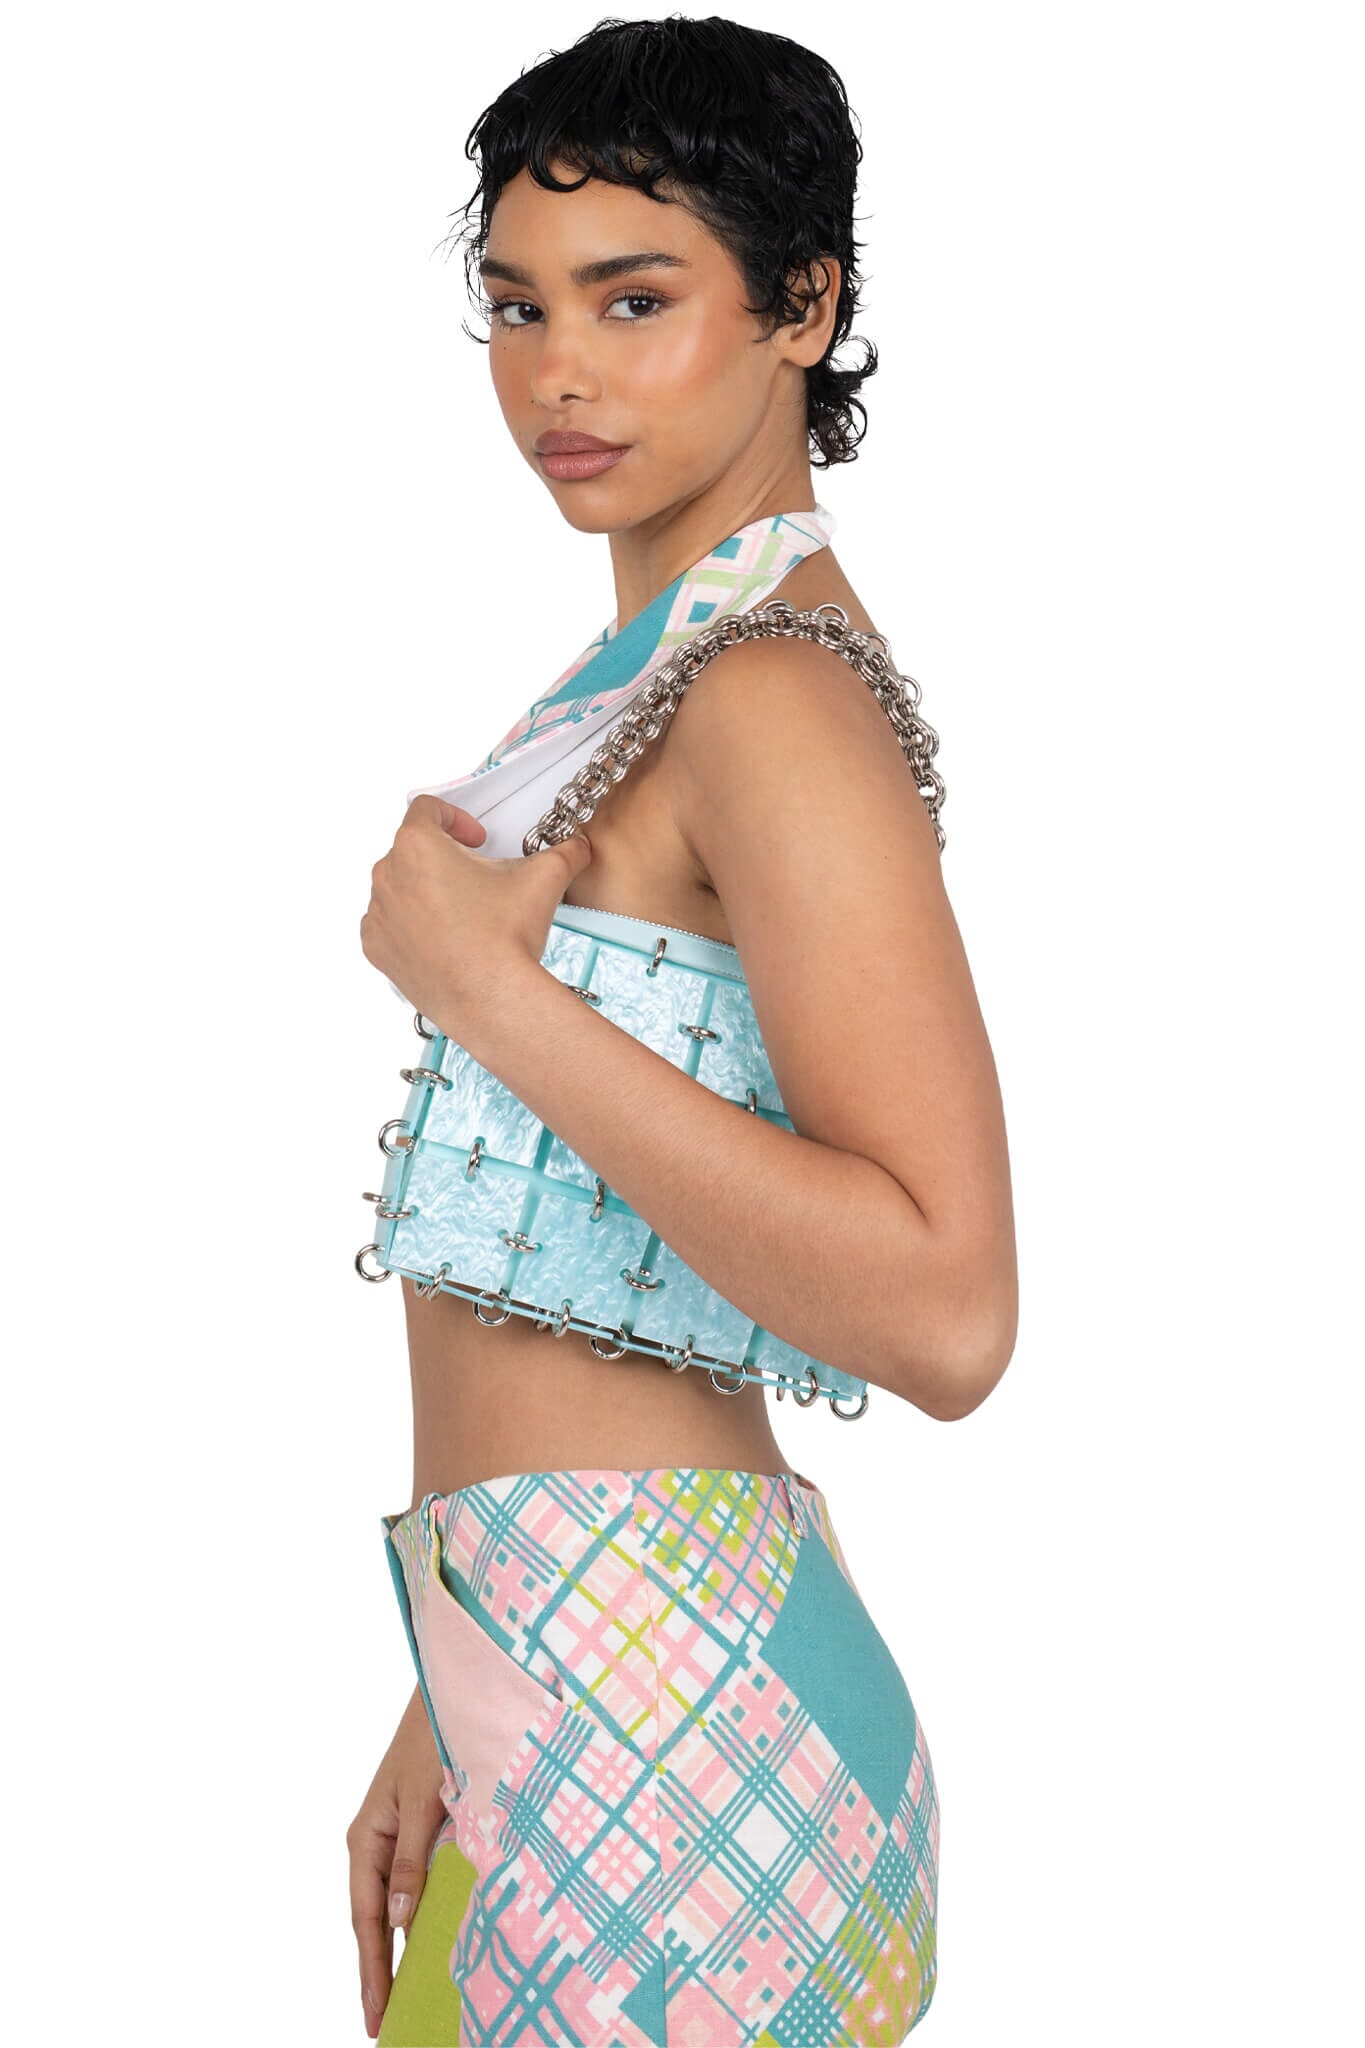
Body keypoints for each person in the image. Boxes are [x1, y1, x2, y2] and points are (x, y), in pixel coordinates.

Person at [348, 16, 1017, 2044]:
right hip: (561, 1668)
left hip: (675, 1730)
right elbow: (575, 1266)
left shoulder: (768, 697)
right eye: (516, 305)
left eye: (633, 301)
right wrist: (449, 1672)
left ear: (801, 305)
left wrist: (481, 987)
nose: (557, 371)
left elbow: (944, 1309)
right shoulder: (657, 666)